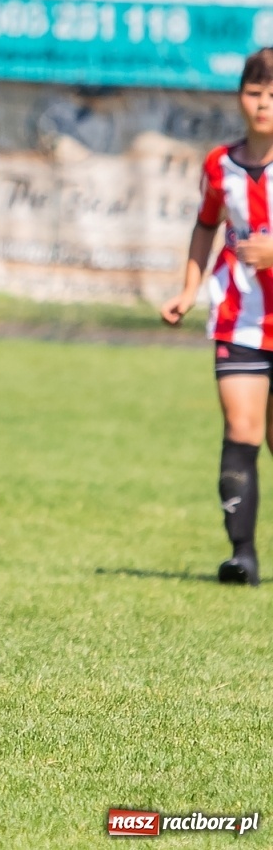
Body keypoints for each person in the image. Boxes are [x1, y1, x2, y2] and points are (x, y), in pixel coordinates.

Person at [160, 47, 273, 587]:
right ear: (239, 96)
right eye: (255, 92)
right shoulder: (219, 166)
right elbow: (206, 225)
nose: (263, 104)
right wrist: (188, 288)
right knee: (241, 429)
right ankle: (242, 557)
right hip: (240, 320)